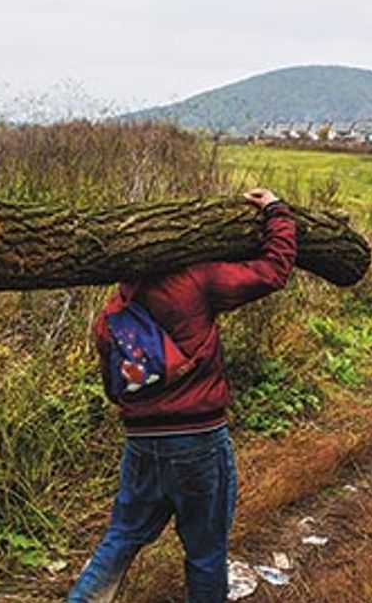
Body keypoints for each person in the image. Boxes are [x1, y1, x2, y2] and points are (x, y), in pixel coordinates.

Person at [68, 188, 297, 603]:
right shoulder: (196, 280)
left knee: (120, 538)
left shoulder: (112, 311)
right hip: (199, 439)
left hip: (140, 444)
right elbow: (272, 272)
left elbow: (113, 389)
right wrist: (277, 213)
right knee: (206, 552)